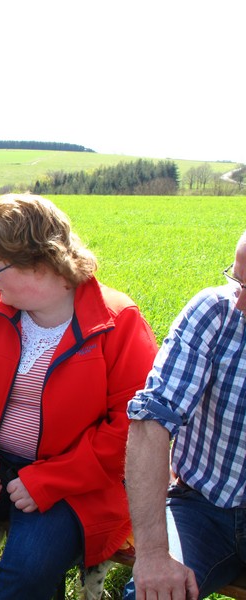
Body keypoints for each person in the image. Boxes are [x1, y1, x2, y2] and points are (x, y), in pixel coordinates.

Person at [0, 193, 158, 600]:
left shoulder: (117, 322)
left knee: (27, 569)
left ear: (40, 264)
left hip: (76, 482)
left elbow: (131, 430)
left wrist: (47, 480)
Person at [124, 231, 246, 600]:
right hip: (201, 507)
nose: (240, 301)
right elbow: (152, 418)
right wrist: (153, 555)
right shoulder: (216, 311)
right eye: (238, 280)